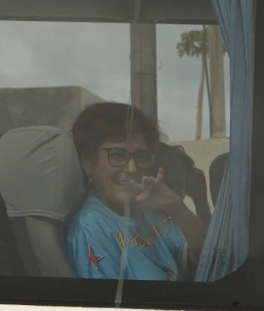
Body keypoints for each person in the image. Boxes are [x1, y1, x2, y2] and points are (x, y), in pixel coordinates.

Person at [67, 102, 206, 281]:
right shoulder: (89, 229)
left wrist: (177, 208)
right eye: (117, 155)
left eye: (141, 157)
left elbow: (211, 258)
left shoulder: (146, 210)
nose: (132, 169)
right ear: (87, 162)